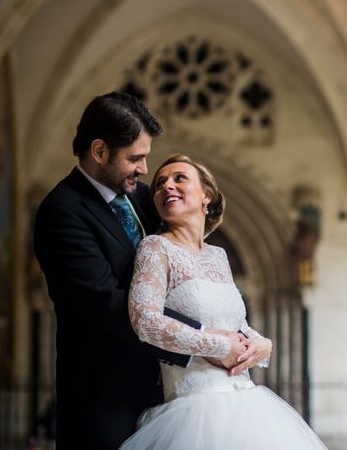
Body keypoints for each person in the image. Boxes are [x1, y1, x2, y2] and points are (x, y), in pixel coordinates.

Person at [33, 92, 215, 449]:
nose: (145, 169)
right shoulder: (61, 211)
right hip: (104, 403)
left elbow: (189, 260)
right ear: (100, 152)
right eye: (135, 158)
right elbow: (107, 303)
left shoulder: (144, 197)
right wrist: (204, 340)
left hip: (167, 396)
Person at [119, 154, 326, 449]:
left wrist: (261, 344)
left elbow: (234, 324)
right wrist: (217, 345)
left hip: (245, 402)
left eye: (180, 178)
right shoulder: (155, 247)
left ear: (207, 196)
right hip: (191, 410)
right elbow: (145, 321)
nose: (167, 187)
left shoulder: (218, 256)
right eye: (159, 184)